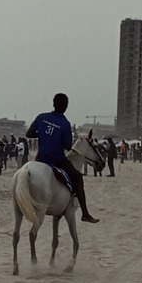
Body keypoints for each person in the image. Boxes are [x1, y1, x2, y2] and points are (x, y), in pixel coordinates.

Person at [27, 93, 97, 223]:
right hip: (57, 160)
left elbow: (29, 133)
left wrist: (42, 134)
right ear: (66, 107)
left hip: (40, 158)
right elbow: (67, 146)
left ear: (53, 103)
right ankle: (85, 213)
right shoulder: (65, 123)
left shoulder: (41, 117)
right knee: (78, 177)